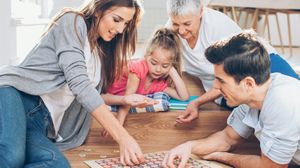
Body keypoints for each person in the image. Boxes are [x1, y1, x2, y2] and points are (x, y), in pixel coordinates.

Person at [0, 0, 156, 167]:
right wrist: (123, 137)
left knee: (56, 164)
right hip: (15, 97)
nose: (120, 29)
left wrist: (123, 100)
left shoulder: (99, 53)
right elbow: (79, 84)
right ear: (98, 10)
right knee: (12, 157)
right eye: (116, 19)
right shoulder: (72, 22)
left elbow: (91, 96)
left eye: (126, 23)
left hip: (40, 122)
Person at [162, 31, 300, 168]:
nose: (215, 86)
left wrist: (223, 157)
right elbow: (227, 138)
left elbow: (271, 167)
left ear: (248, 84)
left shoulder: (284, 101)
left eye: (221, 81)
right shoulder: (253, 97)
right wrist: (188, 147)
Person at [165, 0, 300, 124]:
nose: (181, 31)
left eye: (187, 24)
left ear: (201, 12)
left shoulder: (217, 25)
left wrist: (197, 102)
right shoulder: (169, 32)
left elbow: (233, 73)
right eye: (176, 23)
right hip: (226, 88)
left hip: (263, 64)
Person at [106, 27, 189, 129]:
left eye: (165, 66)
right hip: (104, 93)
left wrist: (172, 71)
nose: (158, 69)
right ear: (146, 56)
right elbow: (128, 98)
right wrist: (118, 125)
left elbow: (183, 97)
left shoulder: (158, 83)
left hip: (118, 99)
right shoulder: (138, 69)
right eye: (153, 63)